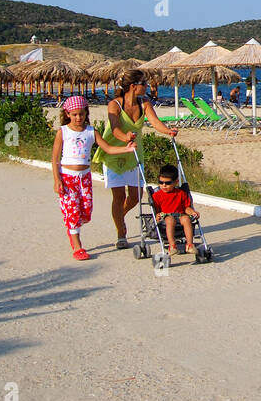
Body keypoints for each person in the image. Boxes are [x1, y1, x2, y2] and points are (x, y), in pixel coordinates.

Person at [97, 69, 180, 249]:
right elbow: (115, 128)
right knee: (118, 197)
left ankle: (119, 216)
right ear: (134, 87)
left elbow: (155, 122)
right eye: (144, 83)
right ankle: (121, 232)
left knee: (135, 197)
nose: (147, 86)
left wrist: (168, 131)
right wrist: (124, 137)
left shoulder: (145, 103)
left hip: (135, 152)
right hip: (115, 152)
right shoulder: (115, 104)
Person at [52, 95, 134, 260]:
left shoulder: (91, 131)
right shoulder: (63, 132)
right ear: (67, 114)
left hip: (85, 177)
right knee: (73, 211)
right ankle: (77, 246)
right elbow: (55, 159)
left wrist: (126, 149)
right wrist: (57, 180)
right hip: (68, 177)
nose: (78, 118)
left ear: (86, 113)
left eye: (81, 114)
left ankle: (73, 227)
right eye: (74, 114)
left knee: (86, 211)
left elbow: (108, 148)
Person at [151, 163, 199, 254]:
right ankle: (172, 245)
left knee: (186, 219)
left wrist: (192, 212)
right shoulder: (157, 195)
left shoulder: (180, 193)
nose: (164, 185)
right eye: (161, 182)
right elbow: (156, 209)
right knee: (170, 220)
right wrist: (157, 215)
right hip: (166, 216)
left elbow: (186, 208)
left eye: (168, 183)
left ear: (176, 182)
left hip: (180, 215)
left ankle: (190, 245)